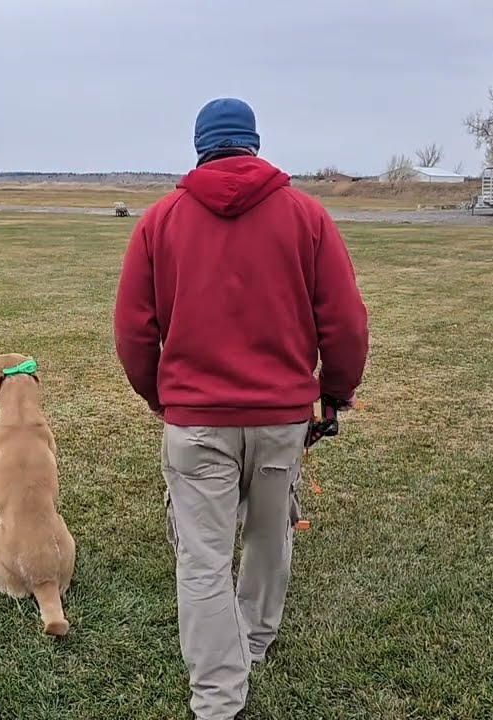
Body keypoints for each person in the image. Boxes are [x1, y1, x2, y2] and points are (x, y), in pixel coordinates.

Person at [112, 97, 369, 720]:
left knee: (201, 557)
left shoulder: (160, 220)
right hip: (281, 418)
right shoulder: (307, 216)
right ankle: (253, 641)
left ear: (200, 145)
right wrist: (334, 394)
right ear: (252, 143)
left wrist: (161, 397)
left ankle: (217, 697)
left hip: (196, 420)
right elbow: (344, 321)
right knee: (269, 536)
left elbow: (132, 331)